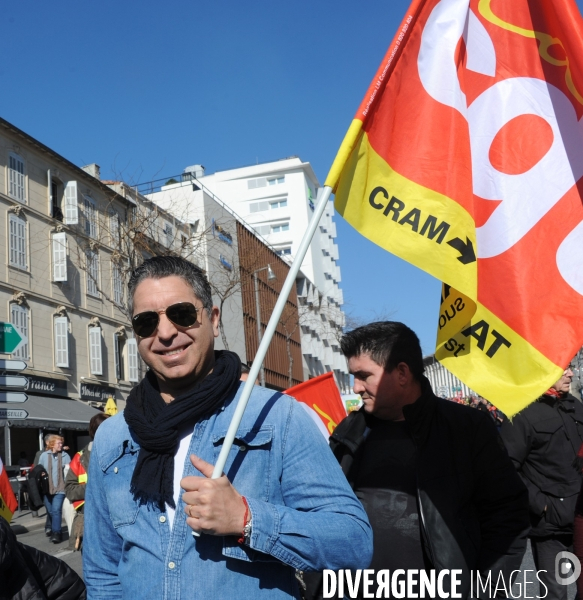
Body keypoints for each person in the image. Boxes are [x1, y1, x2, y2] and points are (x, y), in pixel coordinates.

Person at [84, 256, 372, 599]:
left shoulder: (276, 416)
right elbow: (102, 573)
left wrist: (247, 519)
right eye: (147, 322)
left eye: (182, 314)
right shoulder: (113, 437)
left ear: (214, 319)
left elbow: (354, 543)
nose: (165, 333)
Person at [326, 321, 529, 599]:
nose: (356, 387)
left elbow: (508, 515)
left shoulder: (466, 428)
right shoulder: (347, 434)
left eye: (364, 376)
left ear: (401, 373)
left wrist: (486, 592)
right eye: (353, 376)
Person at [500, 366, 583, 600]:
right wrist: (542, 506)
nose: (571, 374)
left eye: (571, 369)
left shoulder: (574, 405)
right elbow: (506, 469)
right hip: (550, 530)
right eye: (564, 369)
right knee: (556, 594)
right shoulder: (521, 414)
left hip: (580, 518)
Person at [0, 515, 86, 599]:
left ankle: (56, 531)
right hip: (60, 585)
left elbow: (30, 594)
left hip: (66, 592)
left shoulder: (6, 557)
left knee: (55, 510)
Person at [65, 412, 110, 551]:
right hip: (89, 520)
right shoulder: (79, 458)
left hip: (115, 520)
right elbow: (70, 491)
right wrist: (93, 486)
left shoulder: (122, 452)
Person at [39, 435, 71, 544]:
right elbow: (39, 469)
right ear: (52, 444)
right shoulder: (44, 456)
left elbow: (69, 471)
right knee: (51, 511)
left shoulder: (65, 455)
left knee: (56, 510)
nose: (61, 445)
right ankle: (56, 530)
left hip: (60, 488)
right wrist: (41, 473)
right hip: (47, 489)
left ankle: (56, 533)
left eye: (61, 443)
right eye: (59, 443)